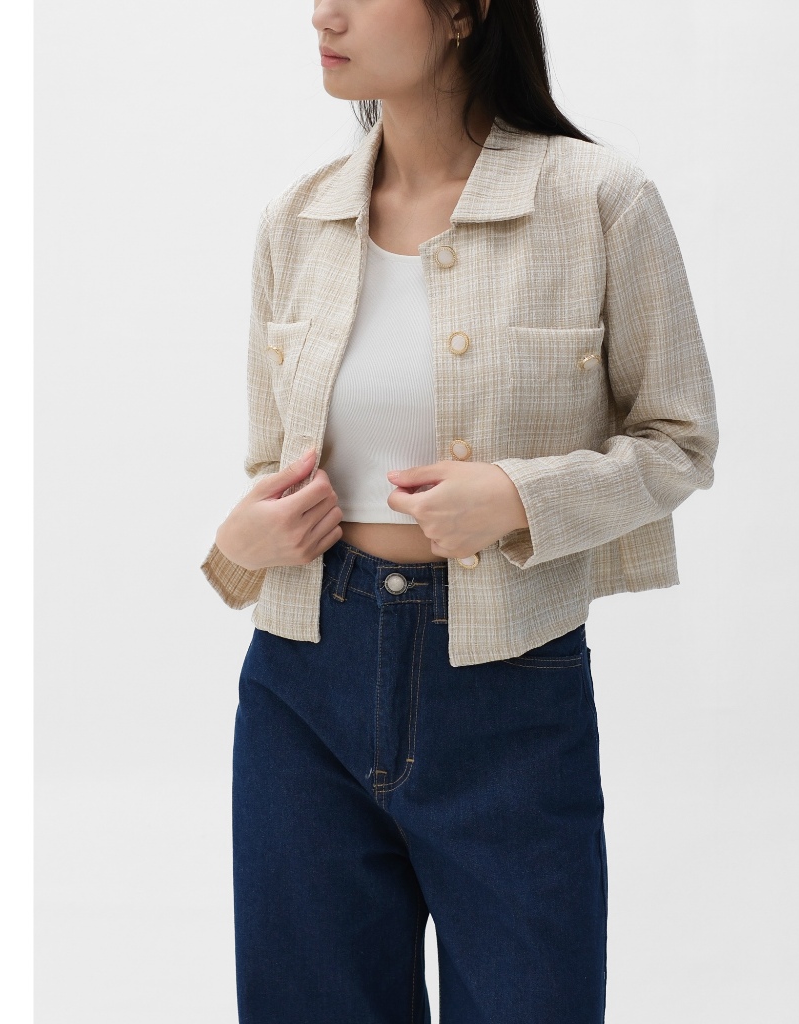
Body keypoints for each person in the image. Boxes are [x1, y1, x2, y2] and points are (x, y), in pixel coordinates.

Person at [200, 1, 718, 1021]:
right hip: (301, 684)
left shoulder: (598, 200)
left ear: (464, 13)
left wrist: (520, 497)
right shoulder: (296, 219)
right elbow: (272, 462)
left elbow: (679, 440)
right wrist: (238, 542)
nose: (324, 13)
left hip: (508, 685)